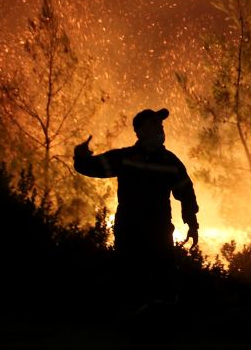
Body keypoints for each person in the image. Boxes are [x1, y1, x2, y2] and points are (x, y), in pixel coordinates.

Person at [73, 108, 199, 314]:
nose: (160, 128)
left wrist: (192, 224)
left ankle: (158, 322)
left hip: (159, 233)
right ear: (140, 131)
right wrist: (80, 157)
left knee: (164, 288)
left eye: (160, 124)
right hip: (130, 233)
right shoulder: (125, 158)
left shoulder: (171, 162)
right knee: (131, 285)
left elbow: (186, 193)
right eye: (154, 124)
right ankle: (134, 322)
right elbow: (91, 167)